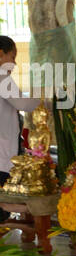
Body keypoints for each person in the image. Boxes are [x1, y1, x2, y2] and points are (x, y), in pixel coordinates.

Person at [0, 36, 42, 218]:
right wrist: (45, 100)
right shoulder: (2, 78)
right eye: (12, 57)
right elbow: (24, 104)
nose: (14, 63)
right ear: (0, 54)